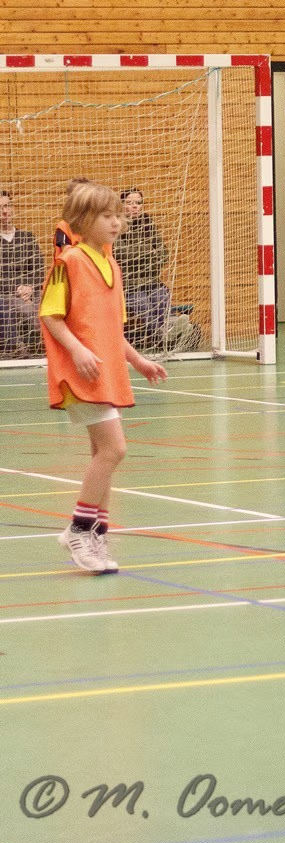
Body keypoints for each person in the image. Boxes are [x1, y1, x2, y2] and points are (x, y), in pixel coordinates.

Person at [38, 181, 168, 574]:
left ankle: (97, 531)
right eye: (107, 216)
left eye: (118, 215)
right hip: (80, 373)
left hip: (107, 372)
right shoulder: (69, 262)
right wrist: (78, 350)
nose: (116, 222)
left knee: (103, 455)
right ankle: (79, 529)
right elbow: (51, 316)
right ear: (82, 220)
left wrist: (138, 361)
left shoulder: (112, 264)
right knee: (115, 449)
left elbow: (112, 328)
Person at [113, 188, 172, 351]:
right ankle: (165, 336)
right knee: (143, 303)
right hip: (129, 284)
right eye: (130, 203)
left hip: (151, 280)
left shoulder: (147, 223)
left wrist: (144, 256)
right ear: (122, 205)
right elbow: (119, 253)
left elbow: (163, 252)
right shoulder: (116, 224)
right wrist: (148, 250)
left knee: (162, 296)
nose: (134, 206)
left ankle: (165, 332)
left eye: (138, 203)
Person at [0, 190, 45, 358]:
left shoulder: (27, 237)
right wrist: (18, 290)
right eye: (0, 208)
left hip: (31, 291)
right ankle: (23, 349)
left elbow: (38, 268)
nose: (5, 211)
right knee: (23, 307)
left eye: (7, 206)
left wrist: (30, 287)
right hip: (6, 294)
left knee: (43, 304)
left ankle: (41, 347)